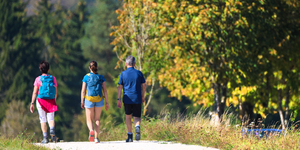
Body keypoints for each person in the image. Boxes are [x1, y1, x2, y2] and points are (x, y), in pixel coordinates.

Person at [117, 55, 146, 142]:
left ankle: (130, 136)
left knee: (128, 116)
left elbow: (120, 87)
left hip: (127, 98)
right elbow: (144, 86)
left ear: (126, 64)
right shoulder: (139, 73)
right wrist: (143, 96)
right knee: (137, 117)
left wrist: (118, 99)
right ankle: (137, 126)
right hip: (137, 98)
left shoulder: (123, 74)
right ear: (135, 64)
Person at [30, 61, 58, 144]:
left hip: (40, 101)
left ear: (40, 69)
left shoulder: (38, 79)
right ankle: (52, 130)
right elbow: (55, 91)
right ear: (48, 69)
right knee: (51, 118)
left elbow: (35, 92)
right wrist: (54, 100)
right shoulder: (53, 78)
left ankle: (45, 138)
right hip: (51, 100)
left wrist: (32, 103)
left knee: (42, 119)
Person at [81, 61, 109, 143]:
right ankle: (96, 138)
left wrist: (82, 101)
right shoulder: (101, 77)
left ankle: (91, 130)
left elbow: (83, 91)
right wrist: (107, 102)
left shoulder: (86, 77)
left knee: (89, 119)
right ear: (97, 67)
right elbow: (105, 90)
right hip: (99, 99)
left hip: (89, 100)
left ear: (89, 68)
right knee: (97, 119)